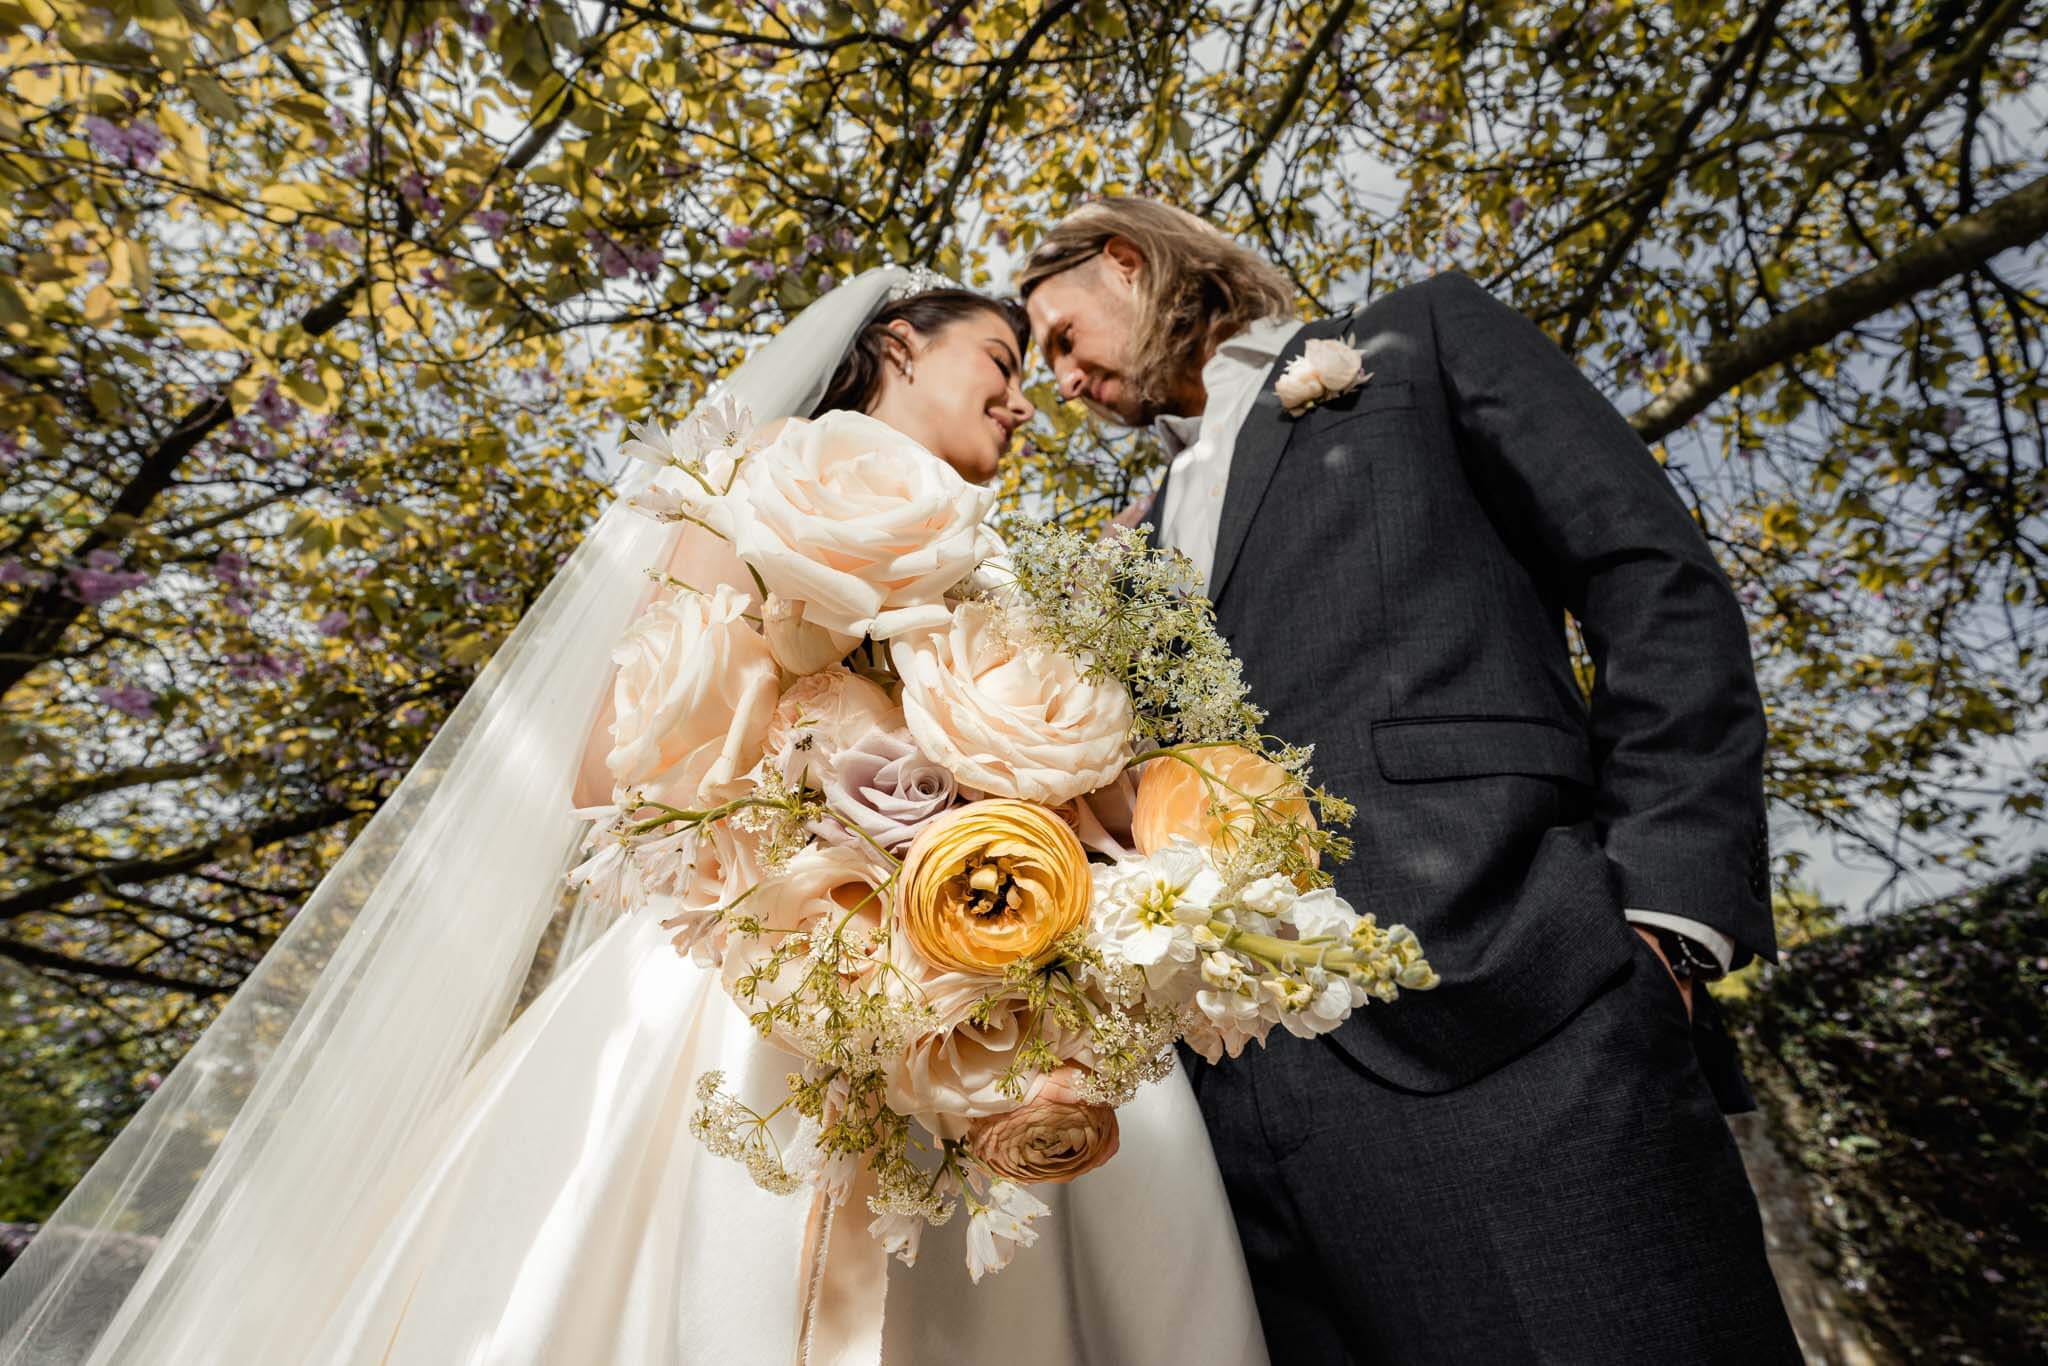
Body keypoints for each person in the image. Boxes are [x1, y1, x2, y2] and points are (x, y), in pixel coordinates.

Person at [0, 269, 1269, 1366]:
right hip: (762, 981)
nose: (1018, 394)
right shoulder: (754, 485)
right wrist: (835, 824)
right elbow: (611, 764)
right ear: (895, 345)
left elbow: (1076, 776)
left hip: (1000, 980)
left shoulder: (1027, 562)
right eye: (998, 358)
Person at [1018, 198, 1804, 1364]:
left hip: (1515, 1014)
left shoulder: (1414, 344)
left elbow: (1650, 580)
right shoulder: (1112, 544)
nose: (1058, 381)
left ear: (1124, 264)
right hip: (1235, 1127)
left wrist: (1667, 920)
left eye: (1058, 337)